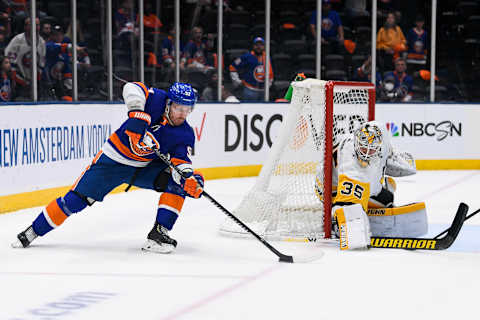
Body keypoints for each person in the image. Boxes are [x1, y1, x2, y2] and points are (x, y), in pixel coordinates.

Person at [12, 81, 205, 254]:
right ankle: (33, 231)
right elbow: (132, 87)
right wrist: (138, 113)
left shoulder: (185, 133)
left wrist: (188, 179)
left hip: (143, 168)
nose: (182, 114)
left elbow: (181, 163)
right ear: (169, 103)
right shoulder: (156, 99)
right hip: (112, 162)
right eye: (179, 107)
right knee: (75, 201)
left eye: (187, 109)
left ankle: (158, 234)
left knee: (178, 184)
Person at [315, 120, 420, 250]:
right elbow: (347, 202)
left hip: (347, 180)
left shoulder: (380, 142)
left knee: (388, 194)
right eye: (363, 147)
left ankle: (369, 216)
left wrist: (390, 156)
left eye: (371, 149)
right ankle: (334, 224)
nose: (366, 152)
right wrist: (352, 228)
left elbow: (409, 166)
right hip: (329, 189)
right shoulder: (352, 163)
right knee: (349, 208)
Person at [4, 17, 46, 100]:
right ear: (25, 27)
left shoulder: (41, 42)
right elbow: (9, 63)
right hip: (18, 81)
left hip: (34, 81)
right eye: (32, 25)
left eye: (37, 25)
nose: (35, 27)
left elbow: (41, 65)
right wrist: (21, 81)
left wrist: (35, 81)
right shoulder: (18, 40)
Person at [229, 36, 274, 101]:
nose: (259, 47)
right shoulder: (247, 56)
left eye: (261, 45)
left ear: (264, 46)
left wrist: (269, 84)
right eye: (256, 45)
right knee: (248, 110)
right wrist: (237, 81)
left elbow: (270, 72)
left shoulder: (267, 57)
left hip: (263, 91)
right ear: (253, 46)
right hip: (249, 90)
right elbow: (232, 67)